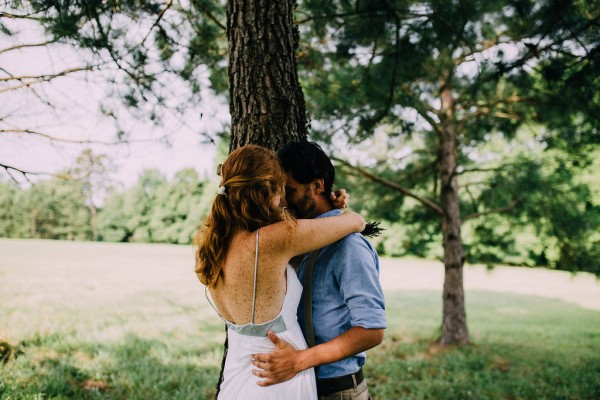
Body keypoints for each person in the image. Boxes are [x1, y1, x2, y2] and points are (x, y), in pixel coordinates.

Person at [194, 144, 366, 400]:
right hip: (279, 380)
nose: (284, 199)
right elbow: (357, 222)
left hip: (238, 380)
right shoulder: (274, 241)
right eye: (281, 189)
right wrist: (335, 205)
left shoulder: (211, 245)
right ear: (268, 191)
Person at [251, 141, 386, 400]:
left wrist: (300, 360)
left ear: (317, 186)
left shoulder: (349, 247)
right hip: (297, 387)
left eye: (289, 191)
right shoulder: (296, 238)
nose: (282, 201)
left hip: (336, 389)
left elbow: (372, 330)